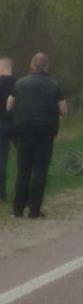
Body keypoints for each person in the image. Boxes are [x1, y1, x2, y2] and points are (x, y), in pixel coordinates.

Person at [8, 53, 67, 218]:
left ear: (31, 65)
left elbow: (9, 105)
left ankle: (17, 209)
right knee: (40, 170)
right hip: (45, 133)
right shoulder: (55, 86)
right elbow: (64, 110)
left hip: (24, 131)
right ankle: (34, 210)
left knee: (23, 169)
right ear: (47, 67)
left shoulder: (19, 83)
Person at [0, 58, 15, 202]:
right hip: (19, 123)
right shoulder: (19, 83)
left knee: (1, 159)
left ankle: (1, 193)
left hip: (1, 124)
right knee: (25, 157)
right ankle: (24, 191)